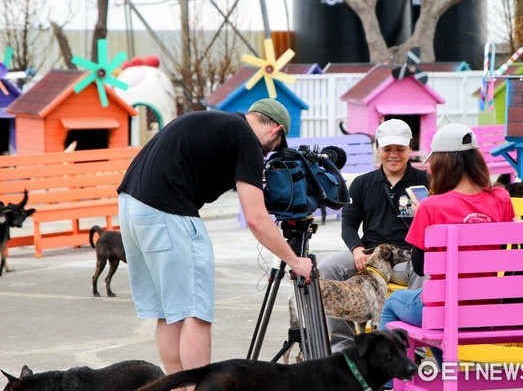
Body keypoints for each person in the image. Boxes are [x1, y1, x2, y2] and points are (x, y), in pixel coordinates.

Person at [117, 99, 313, 377]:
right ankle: (199, 386)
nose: (270, 154)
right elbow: (256, 218)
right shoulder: (247, 140)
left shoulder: (221, 124)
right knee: (196, 311)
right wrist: (294, 260)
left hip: (130, 205)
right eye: (277, 147)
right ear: (275, 130)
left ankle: (181, 387)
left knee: (169, 311)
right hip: (166, 210)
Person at [379, 122, 515, 365]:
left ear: (443, 163)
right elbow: (503, 252)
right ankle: (449, 376)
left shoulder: (432, 206)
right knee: (441, 318)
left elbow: (420, 267)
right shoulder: (501, 198)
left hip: (443, 309)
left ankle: (389, 382)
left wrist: (422, 218)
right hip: (489, 307)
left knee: (390, 303)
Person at [318, 118, 430, 353]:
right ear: (377, 149)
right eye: (387, 149)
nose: (393, 155)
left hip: (408, 258)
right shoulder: (362, 183)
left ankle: (413, 348)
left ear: (410, 149)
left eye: (400, 149)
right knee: (328, 266)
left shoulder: (425, 182)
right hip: (370, 256)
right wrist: (356, 249)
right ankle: (344, 347)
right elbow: (348, 225)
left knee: (426, 269)